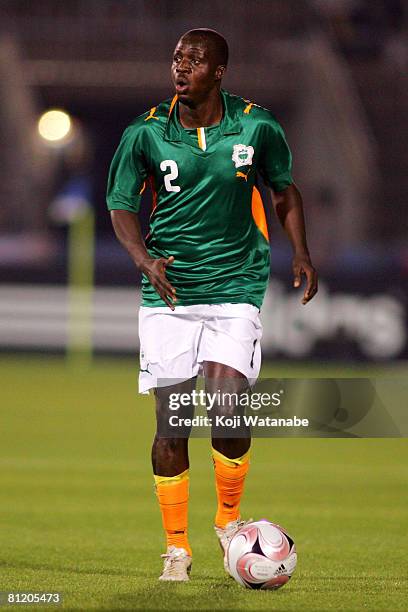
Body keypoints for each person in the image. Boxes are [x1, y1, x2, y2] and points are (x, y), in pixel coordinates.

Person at [106, 28, 318, 582]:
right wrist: (142, 259)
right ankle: (177, 547)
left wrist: (301, 251)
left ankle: (228, 524)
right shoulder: (146, 133)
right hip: (169, 293)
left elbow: (283, 189)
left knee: (227, 409)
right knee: (171, 426)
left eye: (195, 60)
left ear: (219, 70)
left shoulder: (257, 126)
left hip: (235, 288)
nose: (182, 67)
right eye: (177, 57)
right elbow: (122, 205)